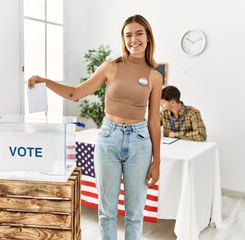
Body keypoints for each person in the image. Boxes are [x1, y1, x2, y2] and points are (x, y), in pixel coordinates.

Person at [28, 14, 162, 240]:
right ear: (123, 39)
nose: (133, 39)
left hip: (140, 143)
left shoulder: (154, 76)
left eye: (139, 33)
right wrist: (46, 81)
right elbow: (76, 93)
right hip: (109, 138)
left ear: (148, 37)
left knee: (134, 214)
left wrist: (156, 160)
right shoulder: (111, 67)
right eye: (128, 35)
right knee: (107, 212)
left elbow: (153, 120)